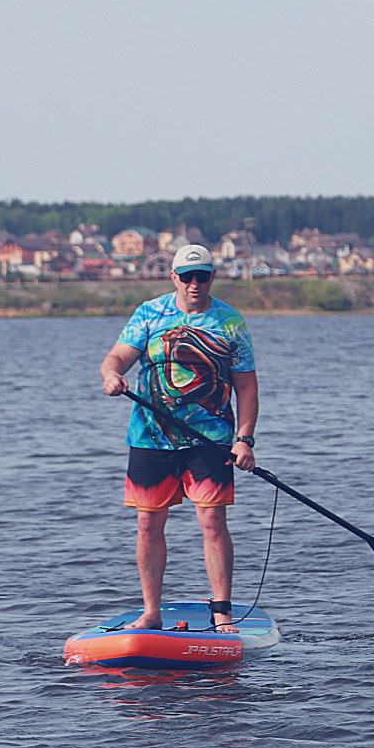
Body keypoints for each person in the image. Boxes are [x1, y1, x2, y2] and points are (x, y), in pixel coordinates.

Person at [99, 244, 259, 632]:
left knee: (212, 522)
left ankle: (221, 612)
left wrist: (244, 440)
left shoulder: (230, 322)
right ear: (173, 277)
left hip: (211, 440)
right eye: (186, 276)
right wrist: (111, 375)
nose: (193, 283)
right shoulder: (150, 313)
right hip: (150, 439)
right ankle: (151, 612)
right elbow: (116, 357)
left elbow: (248, 388)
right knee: (148, 525)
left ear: (212, 277)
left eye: (201, 276)